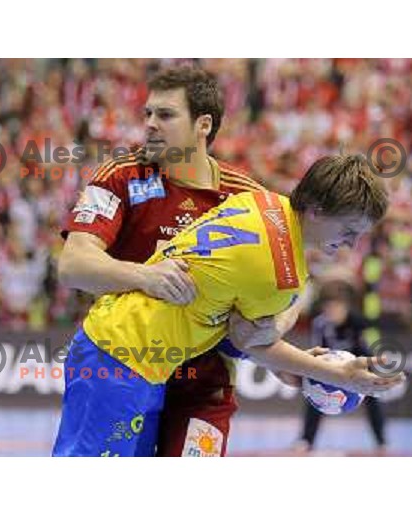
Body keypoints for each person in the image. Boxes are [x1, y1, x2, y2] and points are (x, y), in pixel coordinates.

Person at [52, 153, 404, 457]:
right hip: (122, 358)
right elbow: (251, 342)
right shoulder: (280, 274)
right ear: (317, 210)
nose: (352, 244)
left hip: (120, 345)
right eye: (349, 230)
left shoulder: (260, 202)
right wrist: (339, 374)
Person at [57, 66, 282, 457]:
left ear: (203, 124)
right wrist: (145, 276)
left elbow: (287, 287)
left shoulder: (247, 198)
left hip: (204, 383)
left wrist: (271, 335)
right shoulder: (120, 175)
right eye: (148, 114)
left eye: (165, 115)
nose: (150, 124)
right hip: (126, 365)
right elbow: (73, 264)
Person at [295, 285, 388, 453]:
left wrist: (369, 372)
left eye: (336, 308)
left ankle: (381, 441)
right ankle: (306, 440)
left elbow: (366, 349)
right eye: (328, 308)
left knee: (373, 397)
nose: (332, 312)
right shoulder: (320, 324)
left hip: (359, 364)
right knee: (314, 395)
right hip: (331, 367)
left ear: (345, 307)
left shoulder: (357, 321)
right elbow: (317, 351)